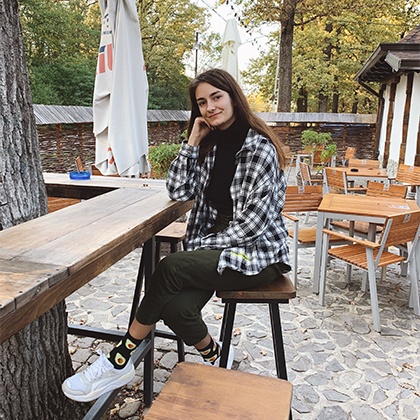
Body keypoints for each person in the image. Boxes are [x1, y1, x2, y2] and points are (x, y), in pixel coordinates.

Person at [62, 68, 291, 402]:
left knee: (170, 267)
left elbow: (252, 225)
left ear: (233, 97)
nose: (210, 107)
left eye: (216, 97)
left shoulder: (260, 149)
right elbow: (178, 190)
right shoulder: (210, 146)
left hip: (256, 252)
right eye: (202, 102)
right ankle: (217, 355)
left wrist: (197, 249)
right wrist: (192, 142)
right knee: (175, 309)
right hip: (220, 244)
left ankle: (119, 359)